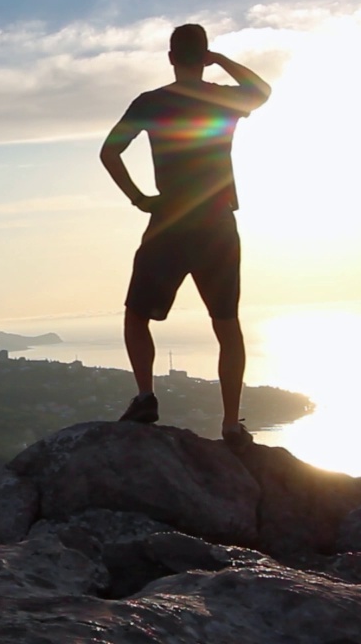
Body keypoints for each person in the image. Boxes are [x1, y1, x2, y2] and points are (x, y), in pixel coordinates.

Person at [98, 23, 271, 447]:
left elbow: (109, 151)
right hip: (216, 222)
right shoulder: (223, 98)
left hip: (170, 221)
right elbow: (263, 91)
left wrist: (140, 198)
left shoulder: (152, 103)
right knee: (227, 323)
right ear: (203, 55)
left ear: (171, 57)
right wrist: (223, 61)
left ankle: (145, 398)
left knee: (137, 314)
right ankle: (231, 424)